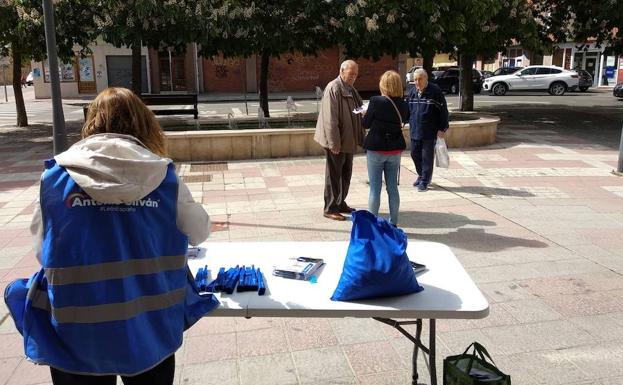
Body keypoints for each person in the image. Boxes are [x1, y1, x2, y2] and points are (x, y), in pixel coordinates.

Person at [3, 87, 218, 385]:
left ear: (91, 122)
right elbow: (200, 232)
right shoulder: (163, 176)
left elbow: (43, 251)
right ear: (144, 123)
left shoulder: (53, 177)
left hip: (76, 337)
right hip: (150, 333)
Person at [314, 60, 365, 221]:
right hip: (337, 142)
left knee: (346, 174)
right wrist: (334, 143)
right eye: (351, 74)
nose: (353, 77)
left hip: (348, 140)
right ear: (342, 72)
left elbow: (358, 108)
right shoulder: (333, 88)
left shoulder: (350, 89)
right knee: (333, 176)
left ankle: (340, 202)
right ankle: (330, 208)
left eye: (356, 75)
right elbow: (330, 119)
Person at [362, 70, 409, 225]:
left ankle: (372, 225)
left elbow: (366, 124)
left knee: (375, 189)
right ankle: (394, 223)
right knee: (392, 188)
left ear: (383, 85)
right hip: (394, 150)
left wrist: (365, 114)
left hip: (376, 148)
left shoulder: (376, 101)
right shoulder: (403, 104)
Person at [407, 68, 449, 192]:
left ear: (426, 79)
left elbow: (443, 111)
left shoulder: (435, 91)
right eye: (415, 79)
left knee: (426, 157)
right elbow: (408, 110)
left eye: (420, 79)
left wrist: (442, 128)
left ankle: (425, 180)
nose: (417, 82)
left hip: (429, 131)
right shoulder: (412, 92)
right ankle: (421, 175)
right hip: (415, 129)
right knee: (414, 154)